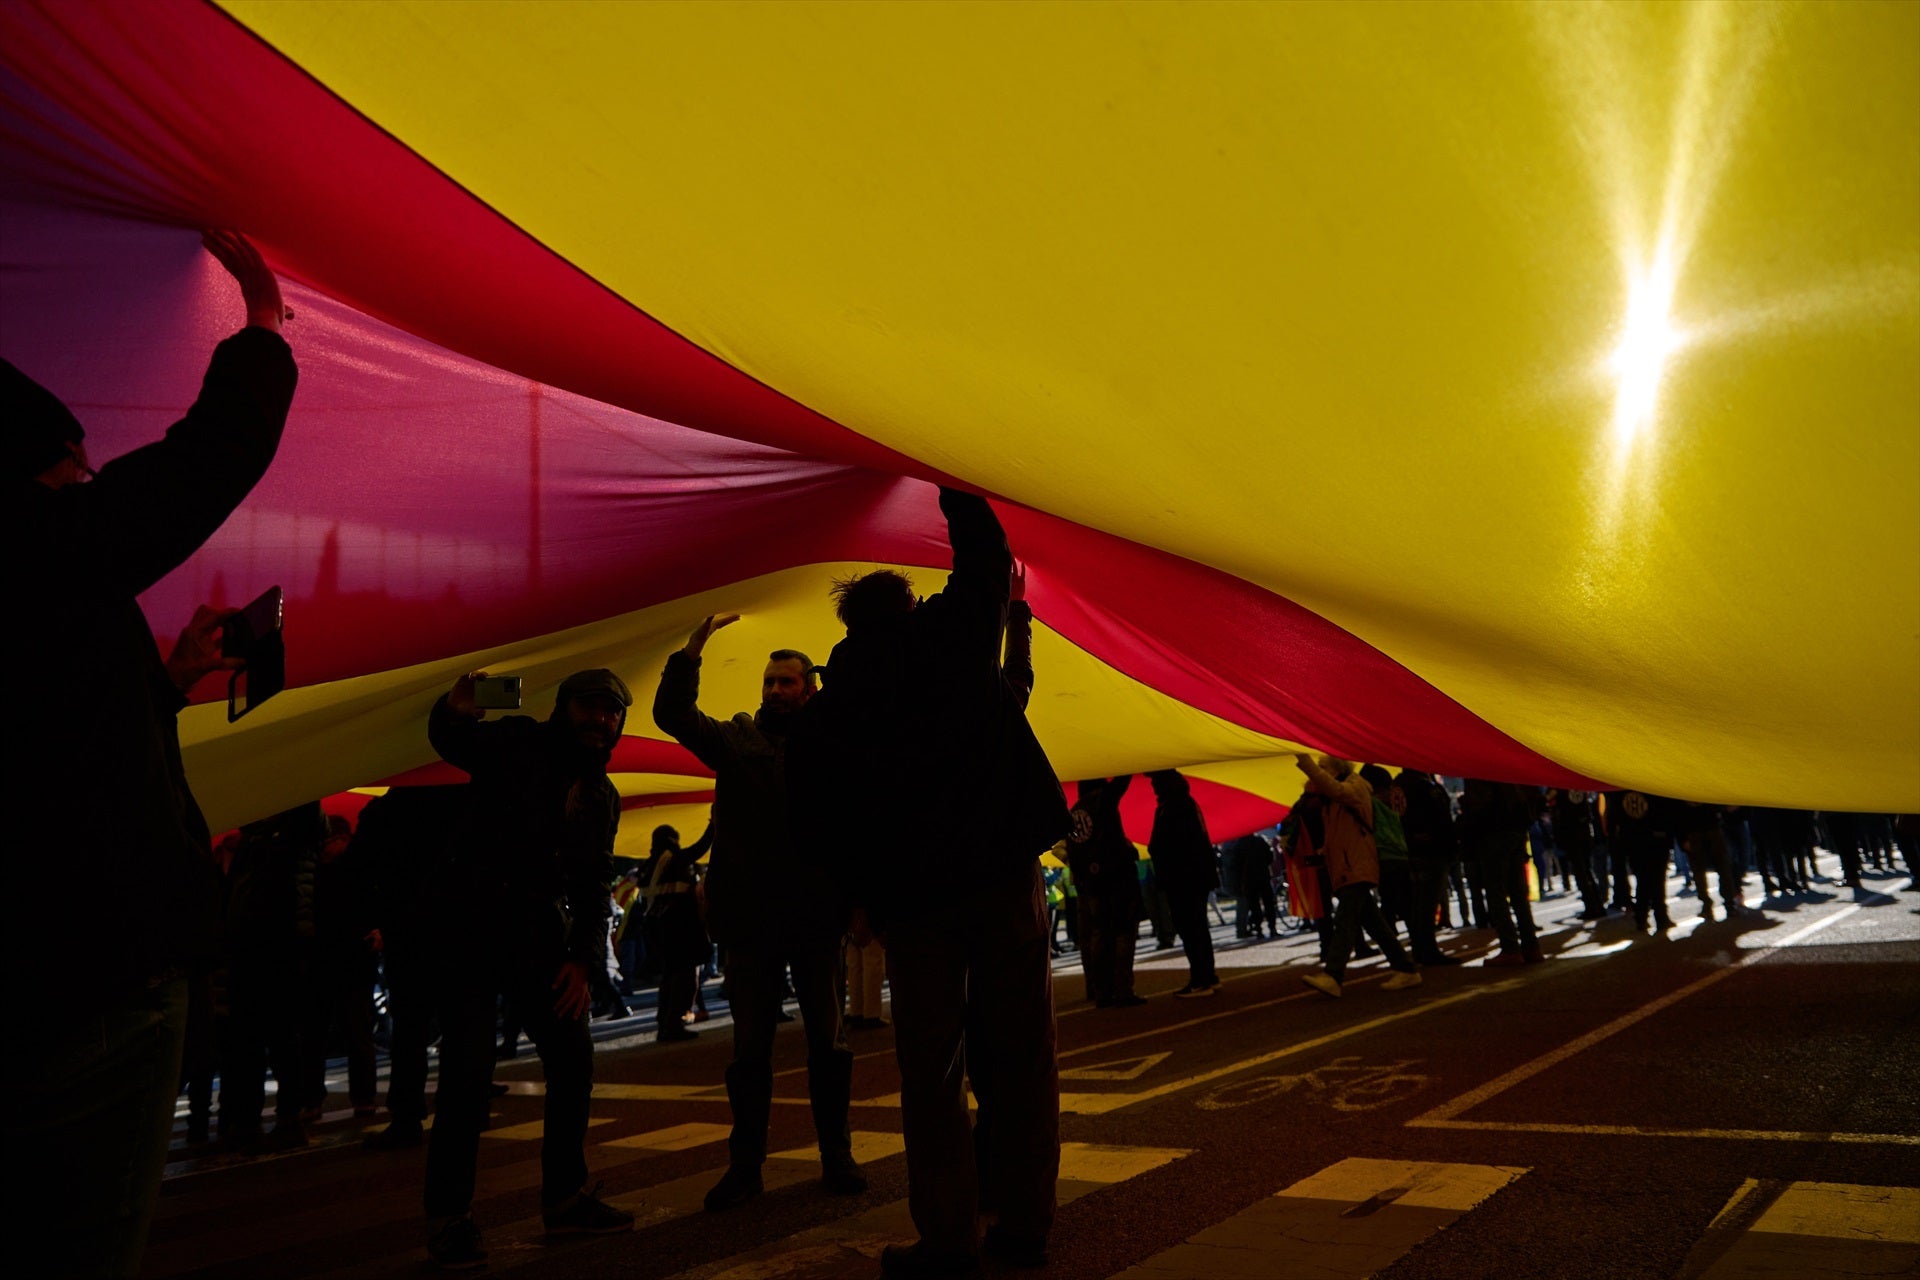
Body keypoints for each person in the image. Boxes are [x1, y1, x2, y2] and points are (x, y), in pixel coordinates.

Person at [4, 229, 294, 1278]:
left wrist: (166, 684)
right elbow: (213, 451)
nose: (88, 474)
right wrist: (261, 315)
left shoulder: (52, 587)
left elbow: (44, 728)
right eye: (71, 462)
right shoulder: (36, 547)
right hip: (87, 970)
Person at [787, 485, 1071, 1277]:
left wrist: (857, 903)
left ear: (845, 627)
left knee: (931, 1073)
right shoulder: (952, 638)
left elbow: (817, 822)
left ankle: (947, 1238)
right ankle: (1025, 1225)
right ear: (911, 604)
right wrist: (946, 479)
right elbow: (983, 559)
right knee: (1022, 1056)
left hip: (912, 906)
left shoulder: (829, 709)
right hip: (1000, 878)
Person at [418, 669, 638, 1268]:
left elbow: (593, 884)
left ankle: (565, 1199)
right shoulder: (518, 740)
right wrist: (456, 707)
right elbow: (452, 740)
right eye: (590, 707)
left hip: (538, 935)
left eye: (611, 712)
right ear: (565, 707)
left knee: (573, 1057)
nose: (600, 720)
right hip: (468, 926)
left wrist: (583, 962)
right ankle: (449, 1219)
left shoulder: (601, 793)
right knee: (467, 1073)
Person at [651, 619, 863, 1210]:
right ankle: (746, 1166)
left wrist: (860, 901)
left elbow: (858, 830)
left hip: (816, 917)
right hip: (750, 921)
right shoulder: (736, 740)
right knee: (750, 1053)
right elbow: (672, 716)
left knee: (830, 1044)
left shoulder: (833, 744)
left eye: (786, 682)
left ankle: (835, 1155)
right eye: (769, 682)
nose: (774, 691)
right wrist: (690, 653)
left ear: (809, 688)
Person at [1293, 755, 1422, 997]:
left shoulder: (1356, 787)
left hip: (1357, 866)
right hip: (1347, 868)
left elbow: (1336, 790)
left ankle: (1333, 975)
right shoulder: (1330, 803)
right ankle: (1406, 969)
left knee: (1344, 921)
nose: (1320, 772)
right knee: (1376, 924)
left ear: (1337, 769)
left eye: (1324, 767)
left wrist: (1305, 762)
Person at [1066, 776, 1146, 1007]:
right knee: (1123, 932)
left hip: (1091, 885)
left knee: (1099, 935)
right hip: (1116, 878)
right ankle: (1122, 989)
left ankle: (1101, 990)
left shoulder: (1075, 812)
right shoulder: (1102, 800)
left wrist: (1083, 880)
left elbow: (1074, 852)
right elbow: (1121, 783)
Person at [1146, 770, 1221, 997]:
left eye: (1156, 783)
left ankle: (1201, 979)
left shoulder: (1173, 808)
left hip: (1183, 878)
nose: (1153, 788)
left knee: (1190, 928)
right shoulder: (1186, 804)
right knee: (1198, 927)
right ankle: (1208, 976)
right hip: (1194, 876)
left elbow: (1167, 845)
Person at [1460, 779, 1544, 966]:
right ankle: (1531, 946)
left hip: (1493, 834)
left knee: (1496, 892)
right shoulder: (1507, 767)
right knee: (1518, 893)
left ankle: (1510, 948)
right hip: (1517, 830)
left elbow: (1479, 806)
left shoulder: (1477, 770)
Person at [644, 821, 714, 1042]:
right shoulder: (671, 860)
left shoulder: (650, 865)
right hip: (679, 929)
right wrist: (714, 825)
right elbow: (699, 848)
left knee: (669, 977)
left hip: (659, 930)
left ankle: (664, 1023)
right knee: (684, 978)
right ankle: (674, 1024)